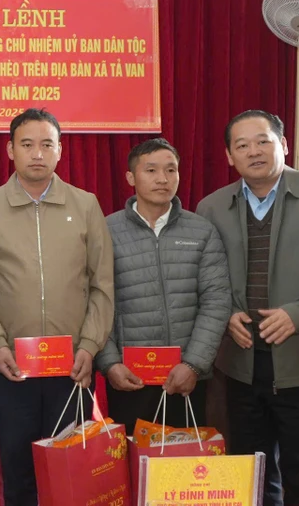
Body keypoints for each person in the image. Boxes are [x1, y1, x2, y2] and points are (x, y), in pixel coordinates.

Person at [196, 110, 299, 506]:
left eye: (263, 141)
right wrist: (225, 315)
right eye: (242, 145)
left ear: (283, 145)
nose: (253, 151)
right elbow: (204, 277)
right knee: (251, 475)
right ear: (229, 156)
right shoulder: (212, 208)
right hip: (239, 366)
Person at [0, 108, 114, 506]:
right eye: (27, 144)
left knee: (70, 471)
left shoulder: (85, 205)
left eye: (46, 145)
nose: (37, 153)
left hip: (73, 368)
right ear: (10, 150)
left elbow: (102, 286)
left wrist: (89, 347)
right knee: (18, 471)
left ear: (60, 151)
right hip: (12, 368)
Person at [96, 138, 231, 428]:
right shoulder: (105, 230)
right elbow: (94, 302)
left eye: (171, 170)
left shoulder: (202, 231)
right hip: (129, 377)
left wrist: (194, 364)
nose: (163, 179)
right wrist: (109, 364)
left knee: (182, 467)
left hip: (186, 378)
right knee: (133, 465)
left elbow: (216, 301)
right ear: (131, 177)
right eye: (152, 170)